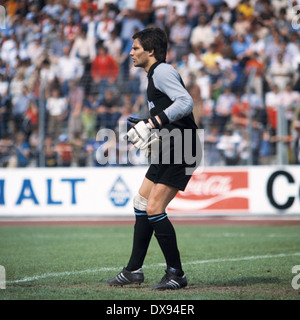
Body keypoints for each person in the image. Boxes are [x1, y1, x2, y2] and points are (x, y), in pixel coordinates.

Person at [107, 27, 200, 290]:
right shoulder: (153, 75)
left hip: (183, 146)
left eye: (135, 48)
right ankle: (133, 270)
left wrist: (152, 122)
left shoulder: (162, 70)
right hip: (172, 145)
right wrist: (148, 124)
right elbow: (170, 110)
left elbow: (186, 102)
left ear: (150, 51)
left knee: (154, 208)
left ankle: (176, 273)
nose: (131, 52)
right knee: (141, 202)